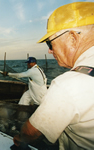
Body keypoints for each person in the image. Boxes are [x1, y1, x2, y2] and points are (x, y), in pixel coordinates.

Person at [12, 2, 94, 150]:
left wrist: (20, 138)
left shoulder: (69, 84)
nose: (50, 51)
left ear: (72, 38)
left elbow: (30, 133)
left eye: (50, 44)